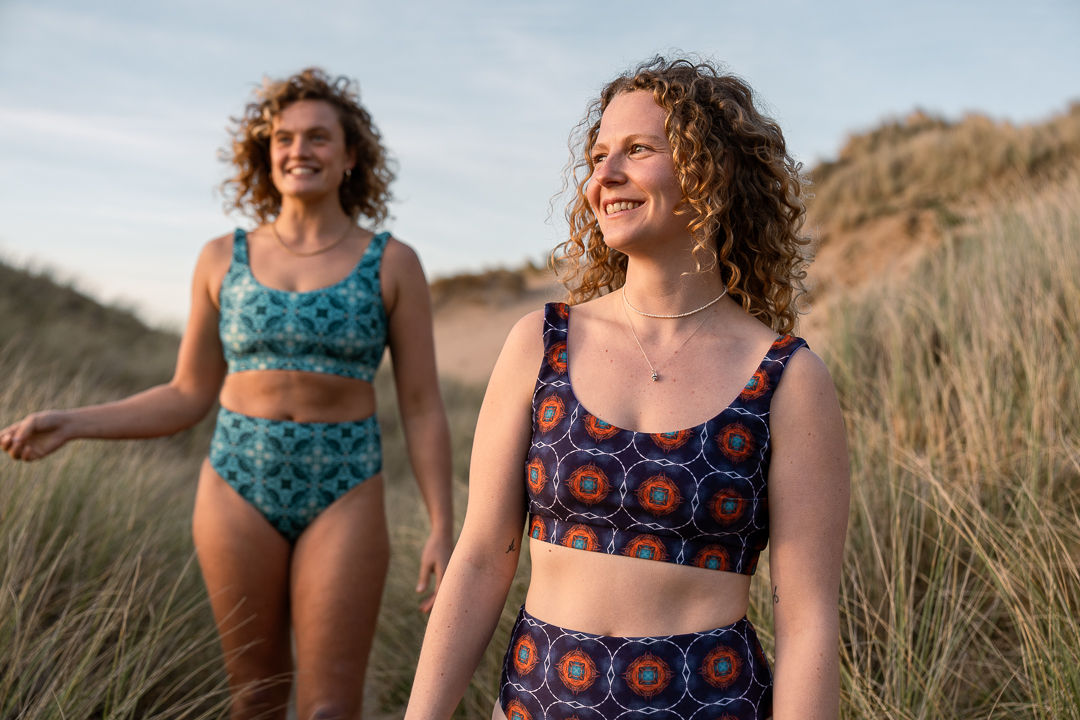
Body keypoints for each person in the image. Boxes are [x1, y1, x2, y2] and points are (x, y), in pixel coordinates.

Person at [403, 56, 850, 720]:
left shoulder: (786, 378)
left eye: (637, 151)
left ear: (710, 172)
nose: (603, 176)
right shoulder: (541, 342)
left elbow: (808, 614)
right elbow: (479, 560)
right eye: (598, 156)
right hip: (536, 705)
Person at [0, 68, 453, 720]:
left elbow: (421, 404)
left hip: (346, 483)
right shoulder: (221, 258)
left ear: (350, 155)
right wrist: (73, 422)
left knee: (330, 708)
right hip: (237, 482)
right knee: (256, 699)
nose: (300, 150)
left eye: (319, 138)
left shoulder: (392, 261)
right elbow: (187, 394)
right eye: (285, 139)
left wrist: (442, 526)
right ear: (265, 155)